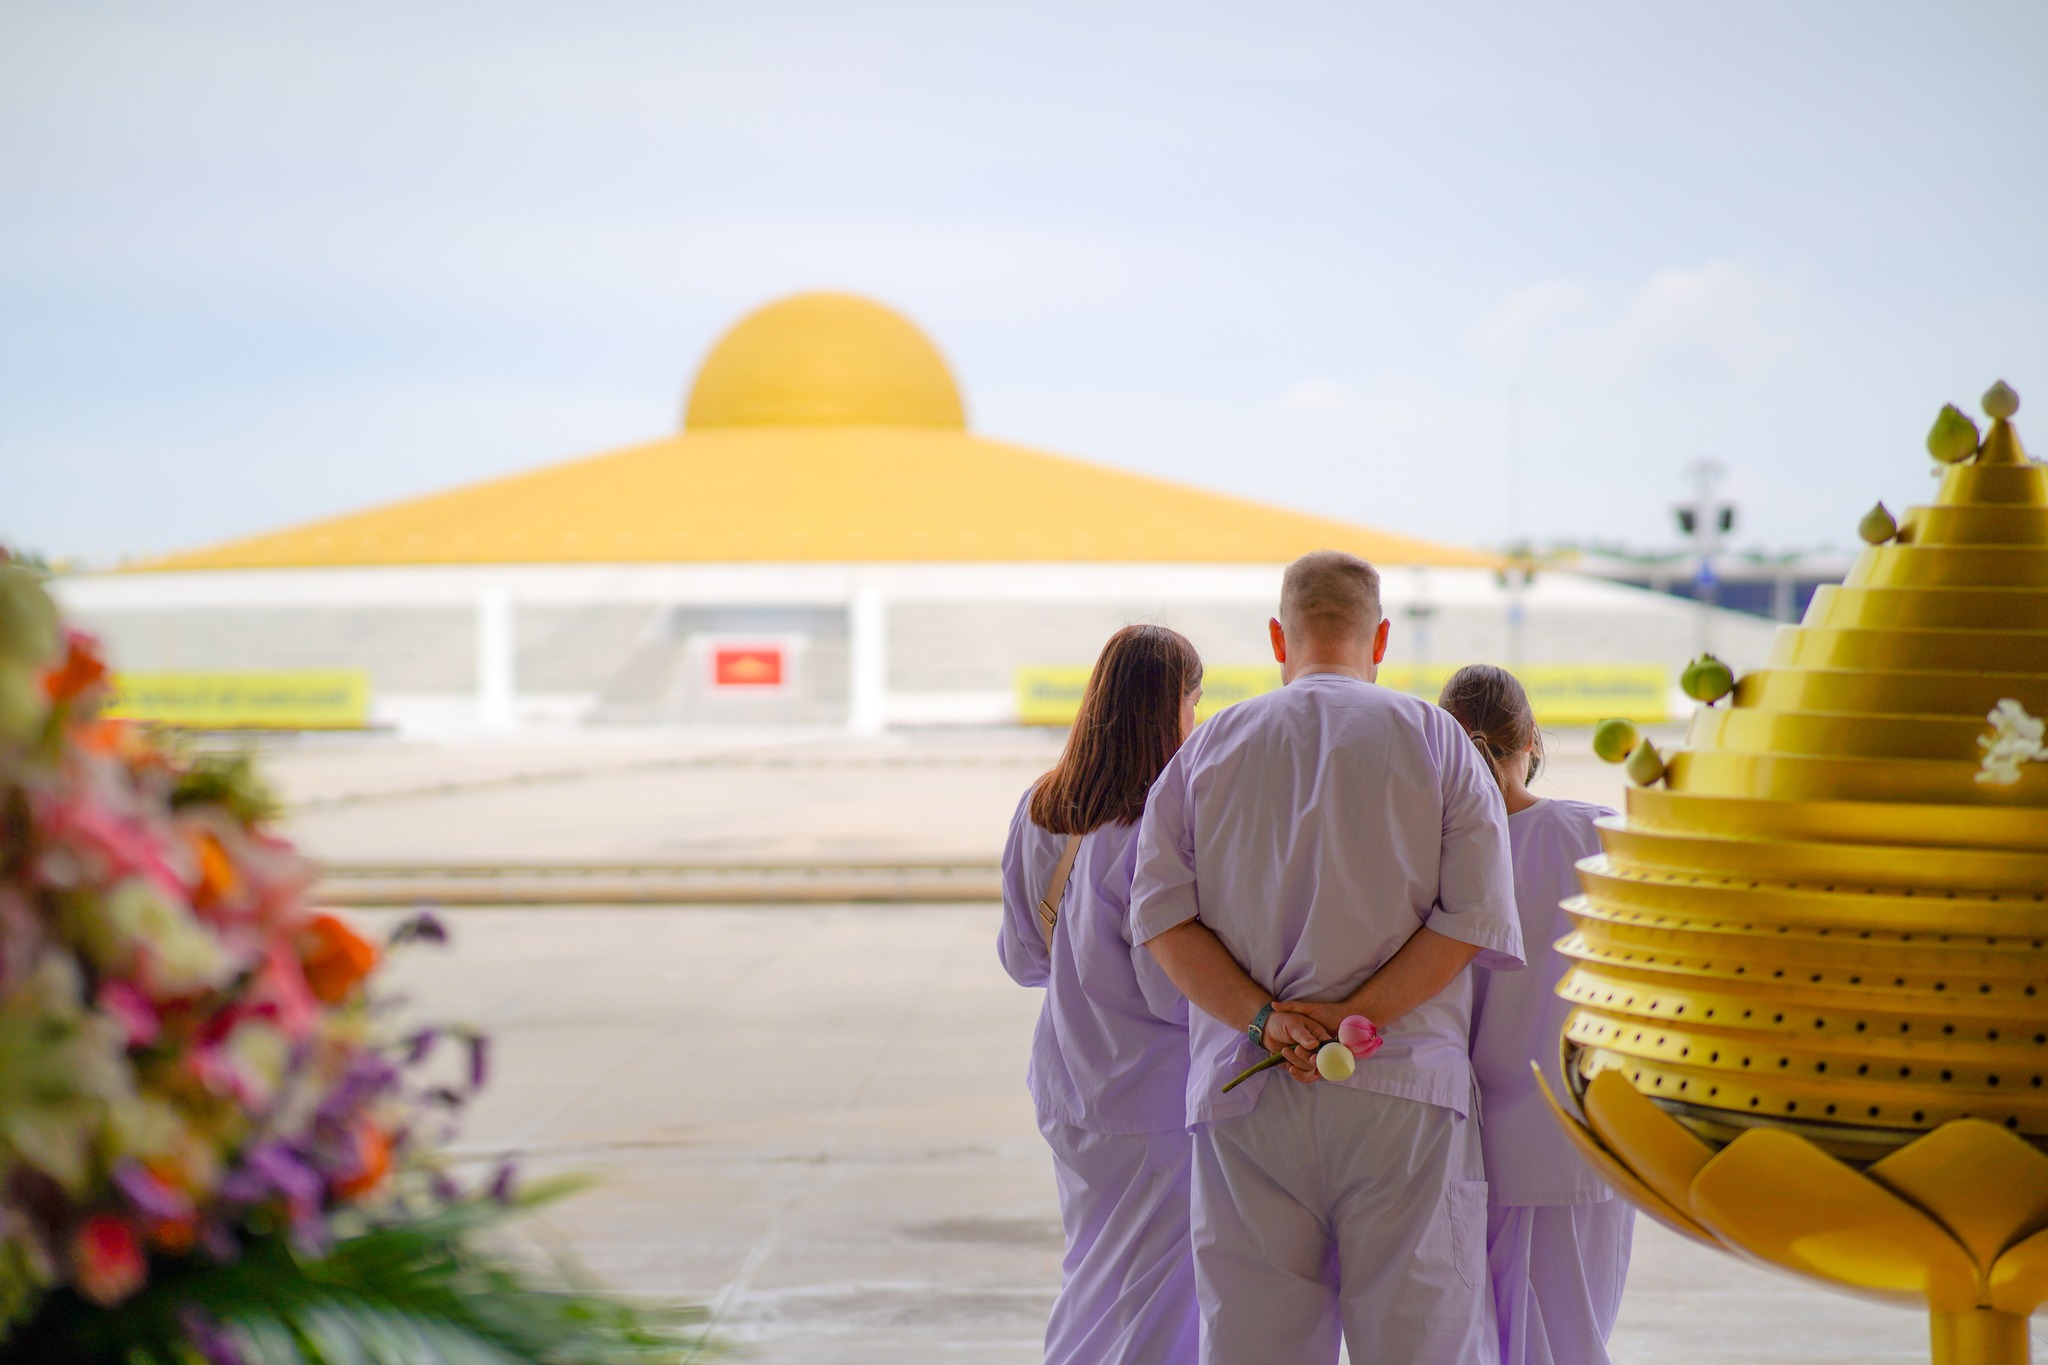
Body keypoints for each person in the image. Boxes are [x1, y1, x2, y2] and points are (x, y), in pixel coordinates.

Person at [1131, 550, 1524, 1365]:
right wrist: (1349, 1028)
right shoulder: (1437, 740)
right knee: (1418, 1345)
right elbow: (1471, 920)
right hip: (1404, 1097)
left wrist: (1273, 1022)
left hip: (1251, 1096)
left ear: (1279, 635)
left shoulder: (1207, 751)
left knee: (1254, 1346)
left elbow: (1164, 922)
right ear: (1380, 637)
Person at [997, 623, 1205, 1365]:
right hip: (1156, 1100)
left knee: (1090, 1278)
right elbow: (1168, 990)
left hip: (1067, 1082)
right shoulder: (1164, 825)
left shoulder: (1042, 804)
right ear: (1171, 707)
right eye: (1192, 700)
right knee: (1162, 1306)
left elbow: (1023, 956)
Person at [1439, 664, 1634, 1365]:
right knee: (1579, 1338)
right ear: (1532, 739)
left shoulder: (1436, 855)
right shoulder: (1602, 834)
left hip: (1473, 1145)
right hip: (1591, 1131)